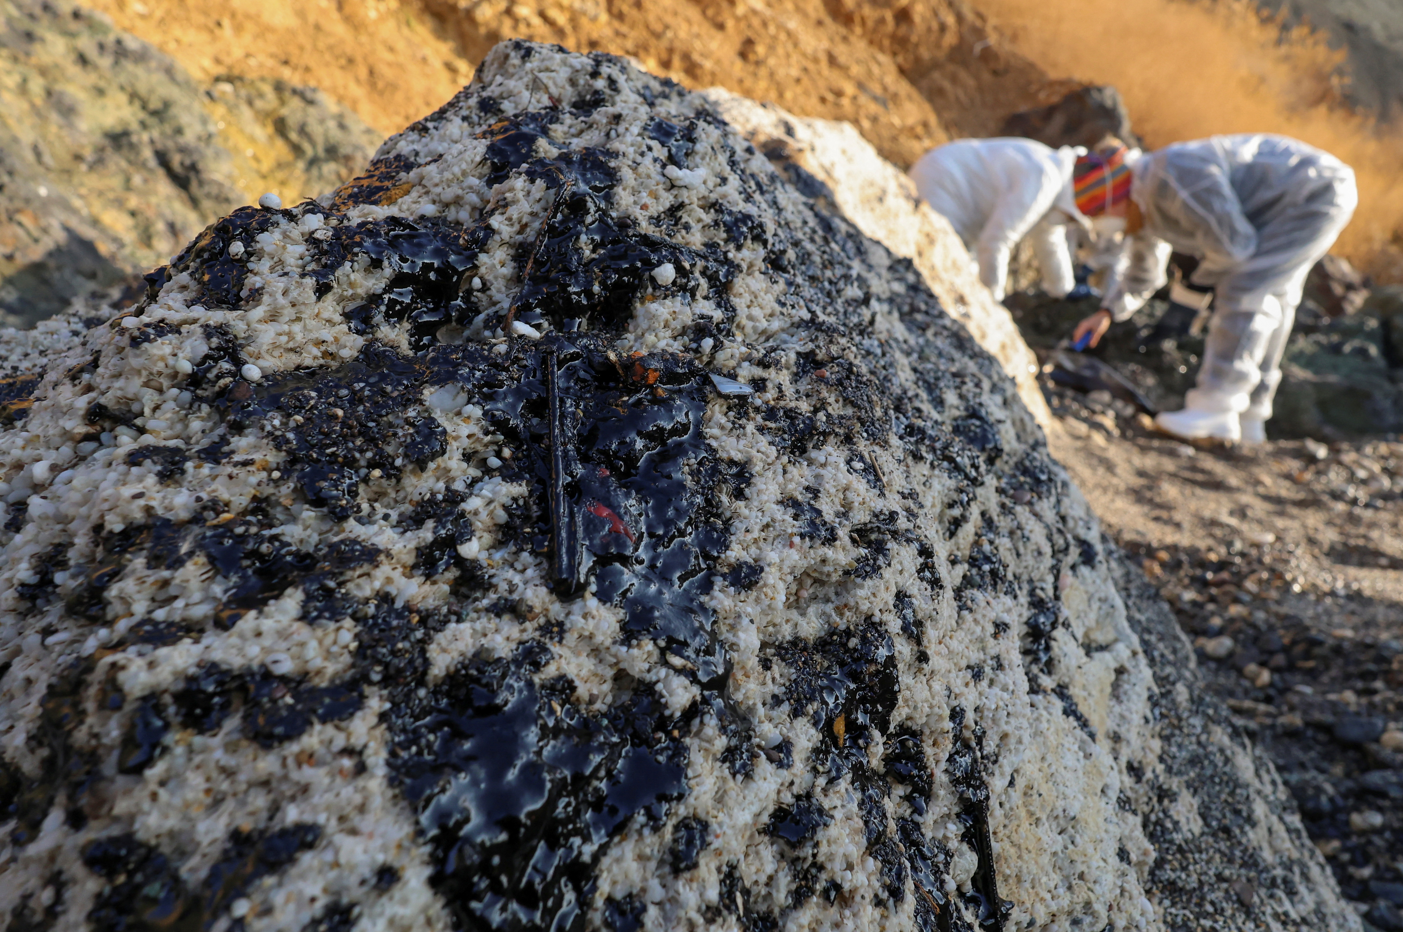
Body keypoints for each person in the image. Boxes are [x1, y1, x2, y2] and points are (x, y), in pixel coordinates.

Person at [1072, 135, 1357, 444]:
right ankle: (1249, 417)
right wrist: (1107, 312)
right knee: (1276, 295)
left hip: (1313, 191)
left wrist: (1192, 294)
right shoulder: (1141, 205)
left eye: (1098, 213)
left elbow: (1233, 249)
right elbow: (1144, 273)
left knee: (1247, 286)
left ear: (1112, 193)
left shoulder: (1174, 175)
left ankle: (1215, 407)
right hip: (1297, 199)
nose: (1100, 224)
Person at [909, 137, 1091, 301]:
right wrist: (993, 301)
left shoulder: (1056, 178)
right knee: (941, 276)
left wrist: (1064, 289)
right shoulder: (1043, 178)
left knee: (962, 278)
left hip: (949, 188)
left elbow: (1050, 239)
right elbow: (995, 242)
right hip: (943, 187)